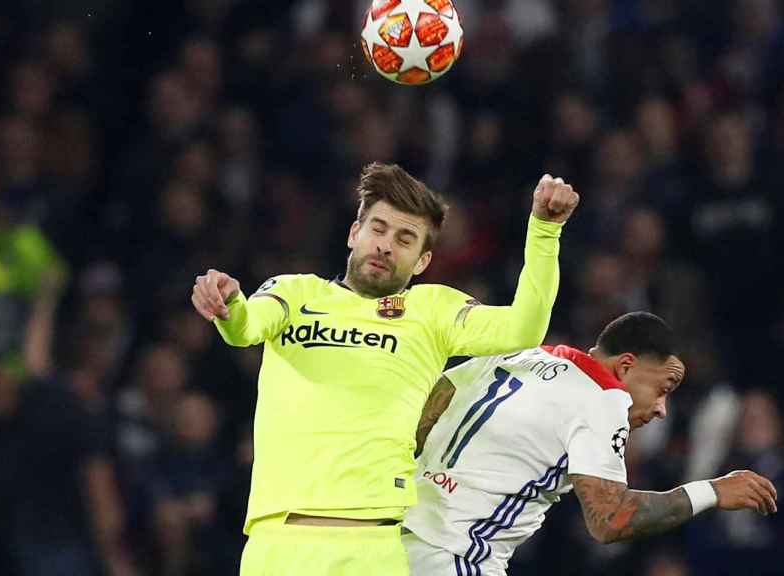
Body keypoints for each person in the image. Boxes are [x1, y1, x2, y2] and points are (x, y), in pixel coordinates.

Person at [190, 162, 579, 575]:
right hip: (278, 544)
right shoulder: (294, 292)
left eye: (405, 238)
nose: (386, 245)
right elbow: (245, 327)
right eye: (378, 229)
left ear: (422, 261)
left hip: (374, 547)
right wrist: (228, 305)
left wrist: (544, 231)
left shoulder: (432, 311)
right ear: (354, 233)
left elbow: (524, 327)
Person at [403, 312, 778, 576]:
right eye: (663, 389)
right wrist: (711, 491)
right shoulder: (604, 397)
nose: (662, 409)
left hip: (393, 539)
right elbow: (609, 519)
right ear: (626, 366)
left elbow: (426, 409)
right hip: (456, 556)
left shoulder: (524, 355)